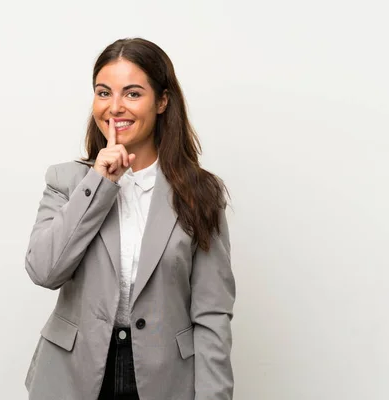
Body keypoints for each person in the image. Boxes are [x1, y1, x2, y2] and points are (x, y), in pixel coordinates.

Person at [23, 37, 236, 400]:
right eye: (104, 92)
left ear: (162, 101)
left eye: (133, 94)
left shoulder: (200, 192)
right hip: (73, 375)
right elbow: (44, 270)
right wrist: (100, 182)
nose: (115, 107)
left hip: (164, 378)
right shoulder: (66, 181)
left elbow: (212, 313)